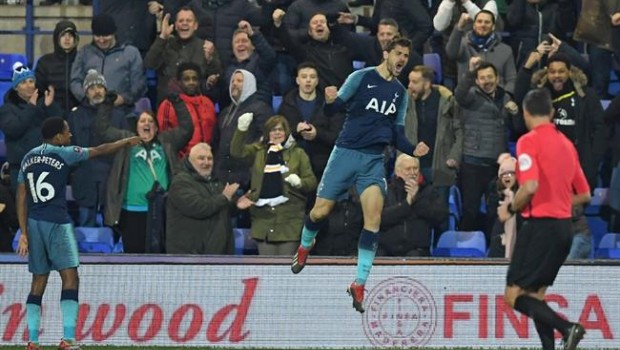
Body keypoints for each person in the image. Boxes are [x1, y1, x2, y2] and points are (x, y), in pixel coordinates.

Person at [290, 37, 429, 313]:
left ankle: (359, 283)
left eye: (406, 55)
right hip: (345, 154)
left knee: (373, 220)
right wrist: (329, 101)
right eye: (398, 54)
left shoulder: (400, 93)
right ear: (386, 54)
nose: (402, 59)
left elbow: (396, 134)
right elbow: (334, 108)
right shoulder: (361, 77)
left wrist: (414, 148)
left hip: (374, 161)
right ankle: (305, 246)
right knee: (319, 212)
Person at [16, 117, 139, 350]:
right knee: (70, 278)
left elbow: (21, 196)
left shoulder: (28, 157)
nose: (70, 135)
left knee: (38, 281)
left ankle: (32, 341)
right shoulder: (64, 153)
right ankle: (68, 340)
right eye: (67, 132)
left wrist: (23, 232)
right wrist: (125, 142)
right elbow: (100, 149)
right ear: (57, 137)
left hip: (34, 223)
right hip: (57, 223)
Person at [499, 88, 590, 350]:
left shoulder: (528, 141)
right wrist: (559, 202)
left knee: (513, 296)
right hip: (564, 229)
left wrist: (512, 209)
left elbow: (529, 187)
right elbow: (584, 194)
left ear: (526, 113)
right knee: (536, 296)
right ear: (551, 113)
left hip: (540, 227)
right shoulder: (567, 144)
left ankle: (568, 328)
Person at [97, 93, 193, 253]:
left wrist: (177, 102)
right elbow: (103, 129)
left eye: (150, 121)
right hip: (132, 212)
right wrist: (107, 104)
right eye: (142, 121)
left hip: (161, 211)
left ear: (156, 128)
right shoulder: (126, 141)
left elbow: (187, 128)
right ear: (136, 126)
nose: (146, 124)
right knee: (134, 256)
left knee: (160, 257)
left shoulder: (166, 142)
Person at [231, 115, 317, 255]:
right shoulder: (258, 151)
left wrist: (300, 182)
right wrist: (241, 129)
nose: (277, 133)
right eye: (273, 130)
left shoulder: (298, 154)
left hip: (289, 221)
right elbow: (236, 152)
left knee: (285, 272)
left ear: (286, 132)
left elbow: (312, 182)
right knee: (267, 272)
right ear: (267, 133)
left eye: (280, 129)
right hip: (263, 221)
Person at [67, 69, 129, 227]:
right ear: (86, 93)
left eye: (100, 87)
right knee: (86, 228)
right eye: (92, 88)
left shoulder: (119, 116)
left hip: (111, 178)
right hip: (84, 178)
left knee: (111, 228)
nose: (97, 91)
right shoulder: (75, 116)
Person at [166, 143, 250, 254]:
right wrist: (224, 197)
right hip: (191, 255)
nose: (206, 162)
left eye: (209, 158)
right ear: (190, 160)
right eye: (201, 158)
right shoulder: (181, 182)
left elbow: (221, 208)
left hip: (216, 253)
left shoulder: (214, 181)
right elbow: (199, 208)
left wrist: (235, 205)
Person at [0, 63, 62, 194]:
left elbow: (60, 128)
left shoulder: (43, 105)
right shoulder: (7, 109)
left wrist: (49, 106)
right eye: (23, 82)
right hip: (21, 169)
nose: (29, 85)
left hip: (45, 167)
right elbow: (14, 130)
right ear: (16, 87)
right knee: (23, 211)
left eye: (31, 81)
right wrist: (32, 107)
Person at [70, 14, 147, 114]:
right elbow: (75, 80)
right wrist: (87, 98)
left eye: (106, 35)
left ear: (114, 33)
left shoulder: (130, 53)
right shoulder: (84, 53)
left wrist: (124, 98)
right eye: (97, 36)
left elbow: (139, 84)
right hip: (90, 112)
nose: (101, 40)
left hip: (122, 112)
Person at [379, 154, 449, 257]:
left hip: (417, 249)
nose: (412, 173)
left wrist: (416, 200)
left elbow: (441, 215)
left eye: (415, 168)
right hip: (386, 249)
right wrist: (406, 204)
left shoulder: (429, 191)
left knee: (415, 256)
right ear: (398, 172)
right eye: (408, 169)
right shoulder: (386, 192)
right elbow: (379, 219)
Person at [157, 62, 217, 159]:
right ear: (179, 82)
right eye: (186, 79)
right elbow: (165, 138)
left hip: (206, 159)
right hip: (182, 161)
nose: (191, 82)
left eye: (194, 79)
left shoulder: (208, 103)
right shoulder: (169, 104)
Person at [34, 20, 80, 115]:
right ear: (56, 38)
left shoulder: (82, 60)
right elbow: (38, 93)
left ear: (76, 39)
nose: (67, 39)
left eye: (71, 35)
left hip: (79, 115)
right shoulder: (45, 62)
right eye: (63, 35)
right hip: (51, 114)